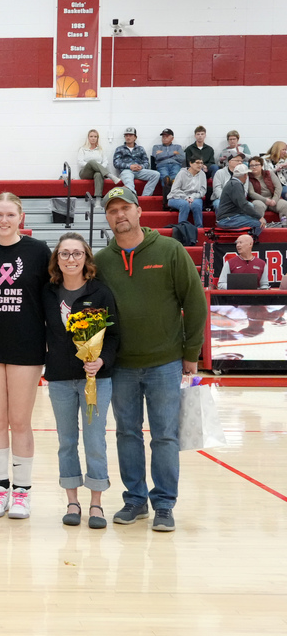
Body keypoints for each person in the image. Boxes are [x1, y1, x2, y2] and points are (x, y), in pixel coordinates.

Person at [94, 186, 206, 532]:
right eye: (112, 211)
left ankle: (164, 504)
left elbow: (195, 302)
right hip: (121, 366)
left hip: (165, 363)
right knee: (126, 433)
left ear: (139, 211)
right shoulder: (102, 261)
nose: (119, 215)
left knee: (164, 436)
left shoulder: (170, 250)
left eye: (125, 208)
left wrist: (191, 353)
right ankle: (135, 500)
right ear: (107, 217)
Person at [0, 193, 52, 519]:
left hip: (26, 347)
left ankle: (22, 493)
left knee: (20, 421)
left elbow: (49, 297)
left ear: (21, 217)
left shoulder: (38, 251)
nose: (4, 220)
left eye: (10, 215)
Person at [43, 233, 120, 529]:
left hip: (96, 379)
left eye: (77, 253)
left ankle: (96, 503)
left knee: (94, 440)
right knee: (66, 441)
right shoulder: (48, 292)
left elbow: (114, 336)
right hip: (60, 378)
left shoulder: (100, 292)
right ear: (57, 259)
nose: (71, 259)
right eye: (64, 254)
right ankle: (72, 501)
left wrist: (102, 361)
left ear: (86, 258)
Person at [216, 164, 266, 238]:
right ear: (245, 175)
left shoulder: (233, 183)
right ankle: (247, 242)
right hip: (227, 219)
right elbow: (243, 204)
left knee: (255, 220)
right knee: (258, 224)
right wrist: (259, 217)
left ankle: (245, 240)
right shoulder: (236, 185)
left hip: (229, 217)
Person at [113, 127, 160, 196]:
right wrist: (130, 166)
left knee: (156, 174)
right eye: (126, 135)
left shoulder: (140, 149)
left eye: (130, 135)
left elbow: (146, 162)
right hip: (126, 171)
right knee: (129, 183)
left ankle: (145, 197)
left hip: (139, 171)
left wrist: (141, 167)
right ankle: (133, 197)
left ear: (135, 137)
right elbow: (116, 163)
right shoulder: (119, 149)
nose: (128, 137)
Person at [167, 157, 208, 230]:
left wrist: (192, 196)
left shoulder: (202, 174)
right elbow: (175, 190)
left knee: (196, 205)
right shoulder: (182, 173)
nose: (200, 165)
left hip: (194, 197)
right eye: (197, 162)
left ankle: (199, 229)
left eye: (201, 163)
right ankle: (181, 229)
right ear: (191, 163)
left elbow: (202, 190)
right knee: (185, 205)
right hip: (177, 197)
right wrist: (186, 198)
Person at [78, 129, 120, 198]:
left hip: (97, 172)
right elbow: (80, 162)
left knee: (98, 174)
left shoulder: (100, 149)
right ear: (88, 138)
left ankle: (98, 200)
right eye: (91, 136)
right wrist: (92, 165)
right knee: (92, 162)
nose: (93, 138)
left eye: (95, 137)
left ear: (97, 138)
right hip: (85, 172)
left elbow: (105, 162)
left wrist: (97, 168)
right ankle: (109, 175)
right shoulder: (82, 149)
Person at [246, 155, 287, 222]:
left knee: (285, 205)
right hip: (258, 200)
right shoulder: (248, 176)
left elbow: (278, 187)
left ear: (261, 165)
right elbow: (251, 193)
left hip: (272, 198)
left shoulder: (269, 173)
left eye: (256, 165)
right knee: (258, 205)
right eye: (251, 165)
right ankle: (258, 225)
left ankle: (284, 225)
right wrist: (265, 200)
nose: (254, 167)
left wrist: (274, 200)